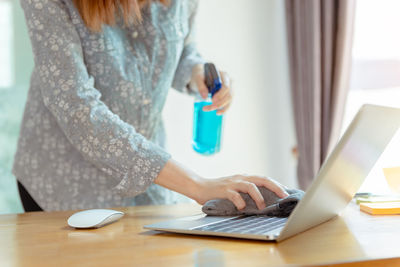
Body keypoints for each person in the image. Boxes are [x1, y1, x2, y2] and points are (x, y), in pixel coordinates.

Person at [13, 0, 288, 212]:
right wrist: (198, 185)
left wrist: (196, 72)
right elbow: (77, 107)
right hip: (63, 184)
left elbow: (181, 47)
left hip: (147, 183)